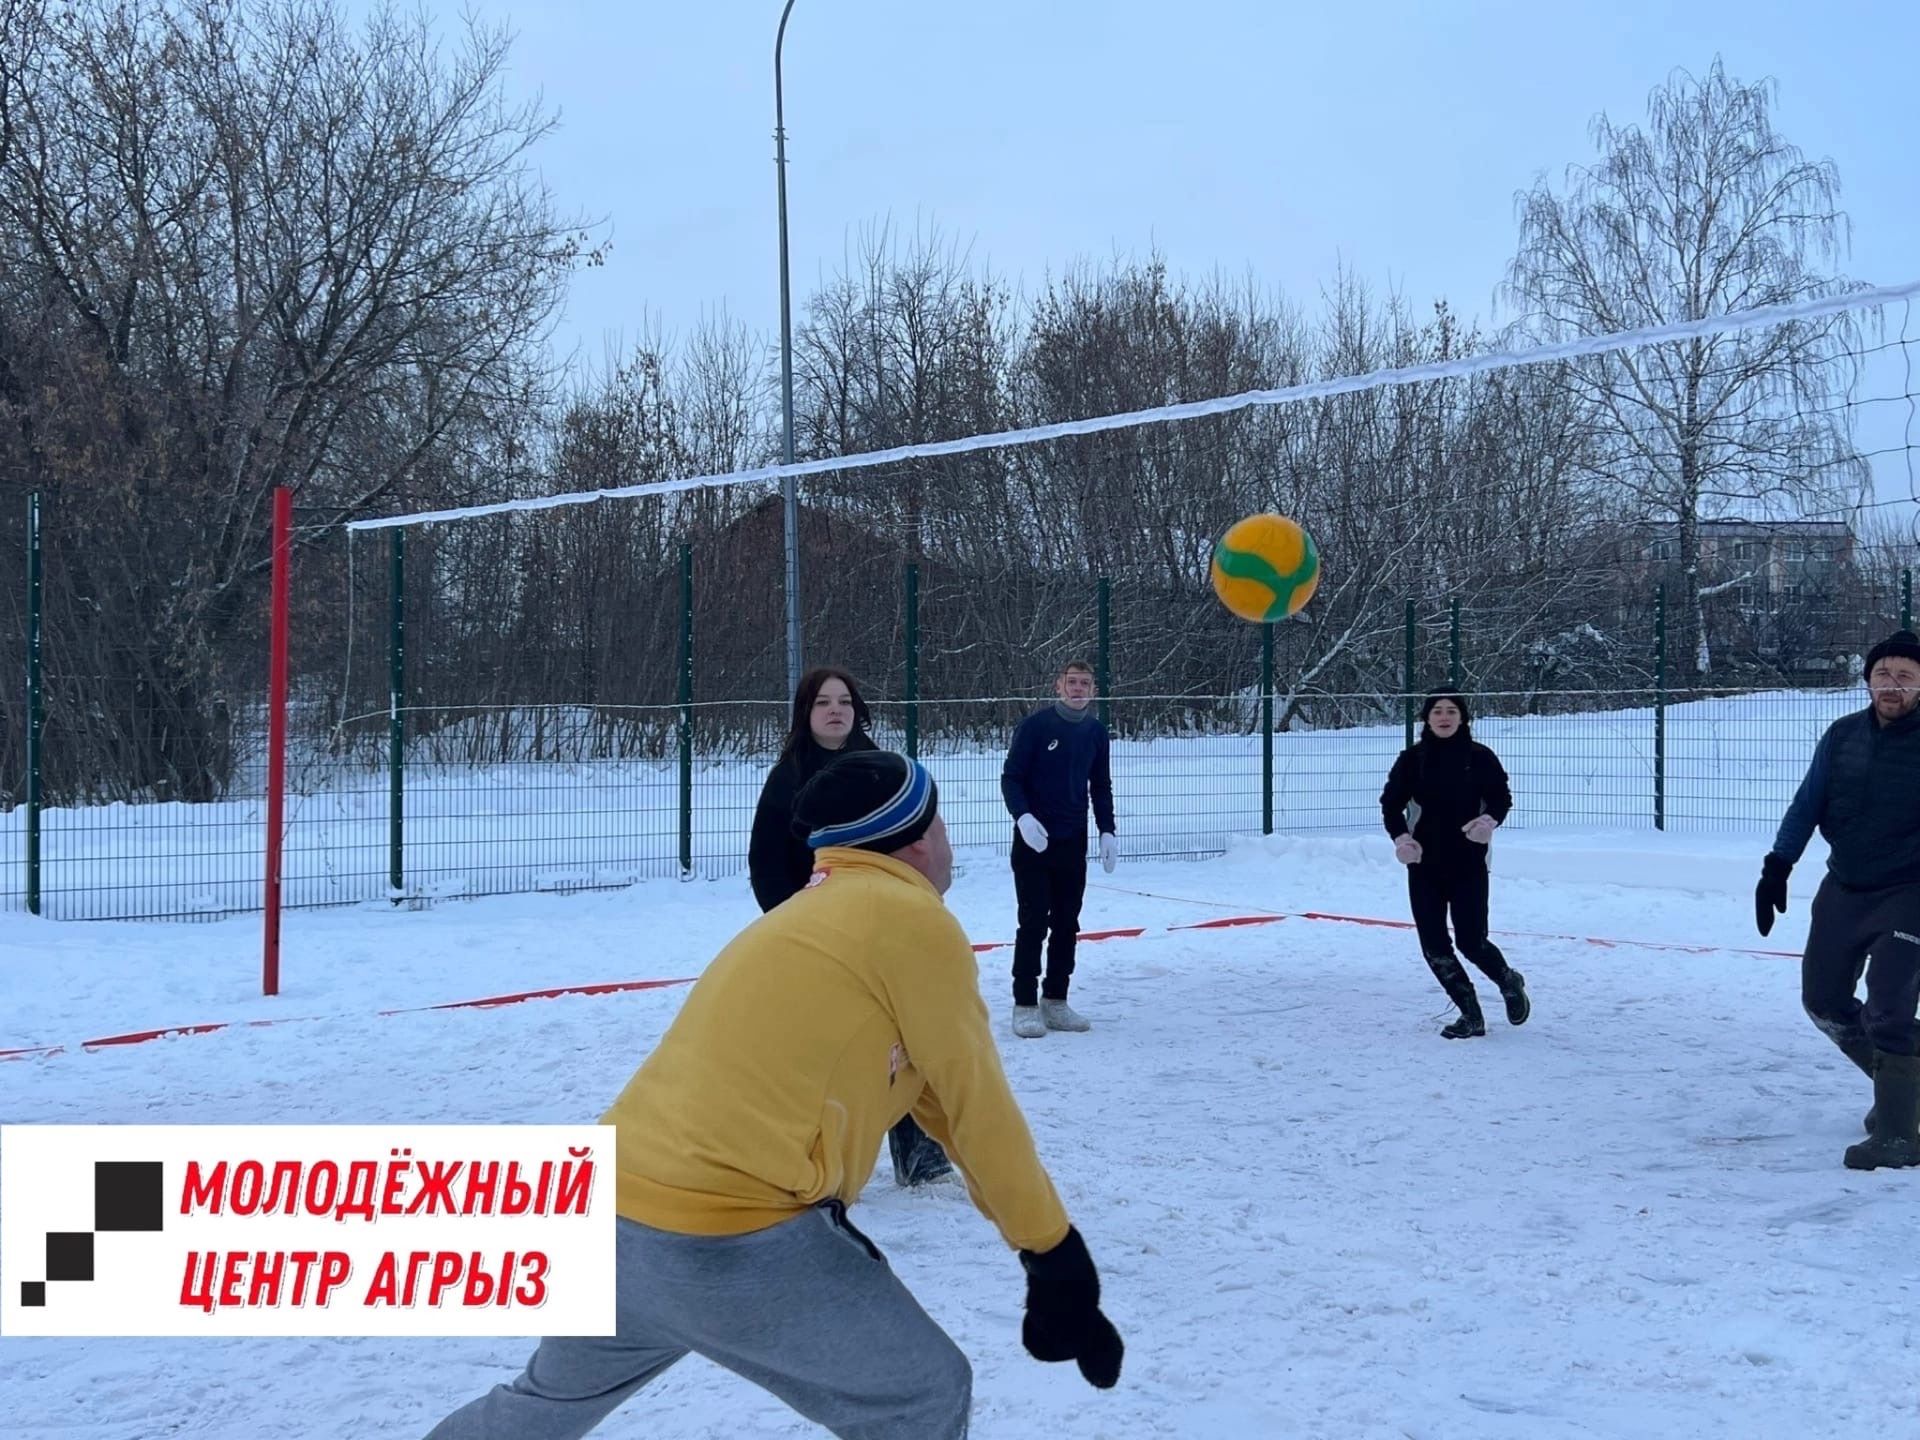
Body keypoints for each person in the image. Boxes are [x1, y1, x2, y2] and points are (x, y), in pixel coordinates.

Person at [425, 751, 1124, 1440]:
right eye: (943, 826)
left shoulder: (808, 913)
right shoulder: (911, 920)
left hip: (611, 1212)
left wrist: (1040, 1252)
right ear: (915, 839)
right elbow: (978, 1104)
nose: (950, 844)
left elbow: (937, 1099)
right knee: (921, 1395)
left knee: (540, 1407)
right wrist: (1053, 1249)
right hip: (725, 1232)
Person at [746, 666, 952, 1188]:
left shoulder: (883, 770)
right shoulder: (788, 777)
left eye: (843, 701)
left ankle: (919, 1154)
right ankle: (807, 1158)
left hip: (884, 927)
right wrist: (796, 925)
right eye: (822, 702)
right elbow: (766, 864)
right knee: (823, 1049)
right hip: (817, 935)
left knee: (902, 1038)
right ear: (805, 713)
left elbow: (915, 844)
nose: (835, 710)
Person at [1758, 628, 1920, 1171]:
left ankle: (1900, 1135)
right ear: (1868, 679)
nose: (1891, 685)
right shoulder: (1843, 734)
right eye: (1882, 674)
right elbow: (1808, 802)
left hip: (1910, 889)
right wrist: (1777, 866)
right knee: (1823, 999)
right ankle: (1905, 1096)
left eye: (1904, 676)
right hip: (1845, 885)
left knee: (1889, 1007)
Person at [1379, 688, 1530, 1039]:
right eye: (1436, 712)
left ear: (1463, 718)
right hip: (1423, 863)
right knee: (1433, 943)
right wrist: (1402, 839)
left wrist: (1487, 822)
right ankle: (1470, 1013)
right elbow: (1390, 805)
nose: (1444, 717)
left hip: (1468, 861)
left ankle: (1508, 981)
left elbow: (1500, 798)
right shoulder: (1412, 759)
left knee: (1471, 940)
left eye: (1451, 711)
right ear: (1426, 719)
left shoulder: (1480, 757)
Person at [1000, 659, 1117, 1039]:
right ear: (1059, 686)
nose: (1078, 688)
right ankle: (1025, 1003)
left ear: (1093, 689)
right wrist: (1022, 817)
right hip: (1034, 839)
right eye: (1072, 682)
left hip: (1072, 840)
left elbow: (1100, 785)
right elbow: (1012, 777)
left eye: (1085, 682)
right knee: (1033, 922)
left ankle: (1055, 999)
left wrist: (1106, 829)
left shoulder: (1097, 733)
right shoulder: (1036, 727)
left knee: (1067, 922)